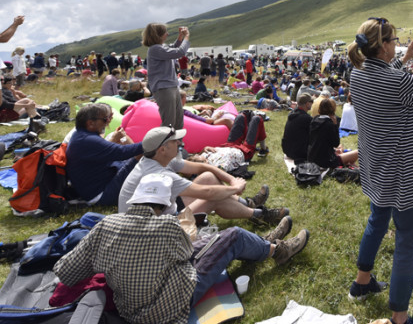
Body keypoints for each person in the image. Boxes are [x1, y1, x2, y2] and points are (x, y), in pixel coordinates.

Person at [54, 173, 309, 324]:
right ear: (165, 204)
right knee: (230, 237)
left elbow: (66, 271)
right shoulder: (166, 225)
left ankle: (265, 243)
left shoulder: (105, 225)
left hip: (131, 310)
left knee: (211, 241)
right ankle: (278, 251)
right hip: (173, 305)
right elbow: (189, 254)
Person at [347, 19, 413, 324]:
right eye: (394, 39)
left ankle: (362, 283)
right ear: (383, 45)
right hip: (402, 171)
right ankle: (400, 316)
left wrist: (404, 58)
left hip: (375, 164)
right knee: (408, 239)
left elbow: (390, 78)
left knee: (377, 219)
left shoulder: (358, 71)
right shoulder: (396, 82)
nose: (397, 42)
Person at [118, 127, 284, 225]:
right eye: (175, 141)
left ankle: (250, 205)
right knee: (214, 197)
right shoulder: (159, 174)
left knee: (208, 177)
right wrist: (235, 188)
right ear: (162, 149)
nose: (180, 143)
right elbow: (208, 194)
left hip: (163, 213)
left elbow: (203, 167)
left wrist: (232, 179)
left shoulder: (159, 158)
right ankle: (259, 215)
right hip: (156, 231)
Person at [66, 103, 143, 205]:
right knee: (140, 155)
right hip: (101, 195)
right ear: (90, 123)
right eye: (105, 120)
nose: (107, 123)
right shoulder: (88, 140)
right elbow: (123, 152)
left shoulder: (81, 135)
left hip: (99, 185)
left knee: (138, 154)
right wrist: (154, 139)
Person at [143, 23, 189, 130]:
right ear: (158, 35)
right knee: (169, 122)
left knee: (178, 120)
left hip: (171, 86)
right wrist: (186, 36)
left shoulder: (160, 48)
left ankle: (177, 145)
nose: (167, 34)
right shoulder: (155, 49)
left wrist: (180, 37)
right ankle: (166, 146)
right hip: (164, 88)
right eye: (165, 32)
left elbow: (174, 47)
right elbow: (179, 52)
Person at [307, 97, 358, 168]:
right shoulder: (329, 124)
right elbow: (336, 143)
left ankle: (348, 164)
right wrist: (335, 126)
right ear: (333, 109)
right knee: (357, 153)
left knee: (340, 148)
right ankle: (349, 165)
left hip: (312, 158)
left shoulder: (314, 120)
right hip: (325, 162)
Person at [282, 93, 313, 163]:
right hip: (299, 153)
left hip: (287, 150)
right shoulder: (306, 118)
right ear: (307, 104)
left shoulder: (292, 114)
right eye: (311, 102)